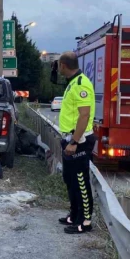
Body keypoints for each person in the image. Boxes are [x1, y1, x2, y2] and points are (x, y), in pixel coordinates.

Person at [56, 52, 96, 234]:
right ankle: (74, 215)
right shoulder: (72, 83)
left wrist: (73, 141)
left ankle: (85, 221)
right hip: (70, 139)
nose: (58, 68)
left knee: (81, 181)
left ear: (63, 65)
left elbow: (84, 115)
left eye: (58, 65)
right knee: (70, 180)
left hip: (79, 140)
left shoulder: (81, 84)